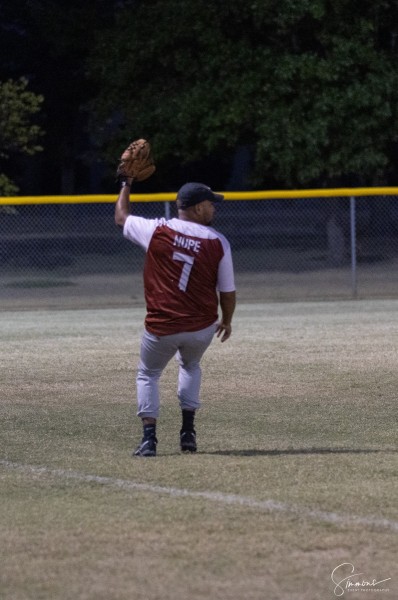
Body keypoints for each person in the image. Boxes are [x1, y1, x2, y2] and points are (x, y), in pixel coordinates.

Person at [115, 179, 236, 457]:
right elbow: (227, 292)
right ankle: (188, 434)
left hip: (162, 326)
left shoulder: (157, 230)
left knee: (148, 373)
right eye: (209, 204)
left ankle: (148, 440)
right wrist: (227, 320)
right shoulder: (218, 242)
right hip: (201, 327)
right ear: (195, 208)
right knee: (191, 365)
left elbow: (121, 217)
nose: (213, 208)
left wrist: (125, 183)